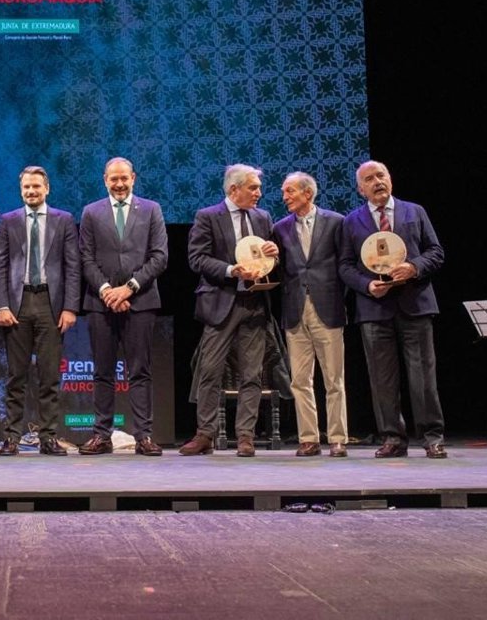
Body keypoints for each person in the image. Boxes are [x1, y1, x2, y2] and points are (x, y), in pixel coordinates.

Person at [339, 160, 447, 458]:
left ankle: (432, 437)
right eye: (369, 179)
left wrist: (413, 267)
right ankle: (392, 437)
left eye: (381, 175)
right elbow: (345, 266)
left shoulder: (415, 211)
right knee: (382, 379)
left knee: (422, 376)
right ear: (361, 189)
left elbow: (436, 252)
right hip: (374, 309)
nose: (377, 182)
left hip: (415, 304)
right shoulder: (351, 221)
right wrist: (366, 285)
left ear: (390, 178)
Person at [179, 164, 279, 458]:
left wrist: (274, 253)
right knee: (209, 371)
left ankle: (245, 436)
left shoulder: (263, 218)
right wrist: (230, 270)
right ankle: (205, 434)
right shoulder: (208, 216)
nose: (259, 193)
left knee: (252, 374)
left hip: (256, 302)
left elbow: (269, 261)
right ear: (234, 189)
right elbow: (197, 259)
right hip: (222, 303)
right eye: (253, 187)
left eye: (258, 187)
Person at [78, 157, 168, 456]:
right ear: (105, 179)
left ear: (133, 178)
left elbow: (159, 257)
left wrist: (128, 288)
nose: (118, 184)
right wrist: (107, 291)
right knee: (102, 372)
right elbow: (86, 259)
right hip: (99, 303)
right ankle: (101, 435)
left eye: (124, 179)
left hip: (140, 301)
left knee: (139, 371)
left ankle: (143, 436)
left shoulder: (152, 209)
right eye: (113, 179)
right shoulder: (91, 212)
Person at [0, 166, 81, 456]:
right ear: (21, 191)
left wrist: (69, 307)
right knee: (16, 376)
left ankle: (48, 438)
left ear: (47, 188)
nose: (31, 191)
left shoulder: (64, 220)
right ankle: (12, 438)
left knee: (49, 376)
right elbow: (0, 267)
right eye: (27, 187)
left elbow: (72, 267)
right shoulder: (8, 221)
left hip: (50, 304)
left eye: (36, 187)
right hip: (17, 304)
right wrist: (2, 305)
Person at [272, 172, 349, 457]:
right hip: (294, 311)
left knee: (334, 379)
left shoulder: (336, 222)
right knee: (299, 380)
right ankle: (309, 438)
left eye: (290, 191)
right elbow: (278, 269)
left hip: (327, 309)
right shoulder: (280, 228)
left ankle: (338, 438)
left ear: (307, 193)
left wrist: (338, 299)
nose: (285, 197)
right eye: (284, 192)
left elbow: (345, 265)